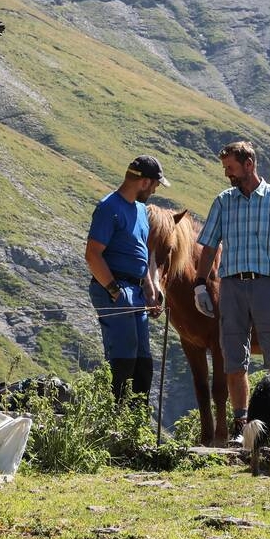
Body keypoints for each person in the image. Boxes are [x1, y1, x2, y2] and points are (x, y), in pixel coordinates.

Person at [193, 140, 270, 446]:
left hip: (269, 284)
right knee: (234, 358)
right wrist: (200, 284)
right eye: (225, 169)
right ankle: (242, 427)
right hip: (231, 286)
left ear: (249, 165)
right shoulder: (223, 201)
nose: (227, 174)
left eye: (230, 168)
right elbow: (209, 245)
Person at [85, 154, 168, 402]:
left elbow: (140, 253)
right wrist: (113, 290)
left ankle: (135, 422)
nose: (154, 190)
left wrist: (151, 288)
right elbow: (92, 254)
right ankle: (116, 420)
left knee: (142, 358)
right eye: (155, 184)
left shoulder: (141, 211)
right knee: (123, 355)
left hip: (137, 291)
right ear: (144, 182)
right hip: (117, 288)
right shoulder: (109, 207)